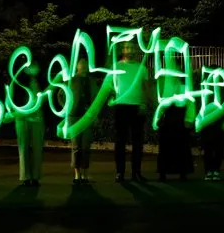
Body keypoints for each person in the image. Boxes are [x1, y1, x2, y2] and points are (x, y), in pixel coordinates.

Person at [106, 41, 154, 182]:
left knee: (137, 141)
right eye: (127, 47)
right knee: (120, 141)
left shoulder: (142, 68)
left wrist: (144, 103)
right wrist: (112, 98)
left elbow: (145, 87)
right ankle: (120, 172)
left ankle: (136, 172)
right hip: (121, 106)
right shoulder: (116, 67)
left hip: (137, 106)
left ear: (135, 50)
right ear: (123, 49)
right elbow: (109, 86)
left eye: (132, 47)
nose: (129, 50)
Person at [62, 57, 98, 184]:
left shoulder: (91, 81)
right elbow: (61, 94)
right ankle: (77, 174)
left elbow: (96, 99)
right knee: (76, 146)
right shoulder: (71, 80)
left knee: (86, 146)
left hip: (87, 117)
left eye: (85, 63)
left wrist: (95, 116)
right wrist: (67, 109)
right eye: (81, 63)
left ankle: (85, 173)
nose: (83, 65)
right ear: (77, 66)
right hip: (74, 116)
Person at [157, 75, 195, 181]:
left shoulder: (184, 88)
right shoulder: (167, 88)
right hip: (168, 121)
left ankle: (182, 173)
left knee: (181, 147)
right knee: (165, 148)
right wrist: (158, 118)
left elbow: (190, 103)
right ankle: (163, 173)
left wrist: (189, 119)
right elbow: (161, 106)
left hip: (180, 120)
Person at [14, 61, 45, 187]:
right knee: (23, 147)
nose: (32, 68)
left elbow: (47, 98)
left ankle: (35, 176)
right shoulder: (18, 82)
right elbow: (13, 99)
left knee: (37, 149)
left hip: (37, 119)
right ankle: (26, 176)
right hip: (22, 118)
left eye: (35, 66)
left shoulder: (42, 82)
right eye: (30, 66)